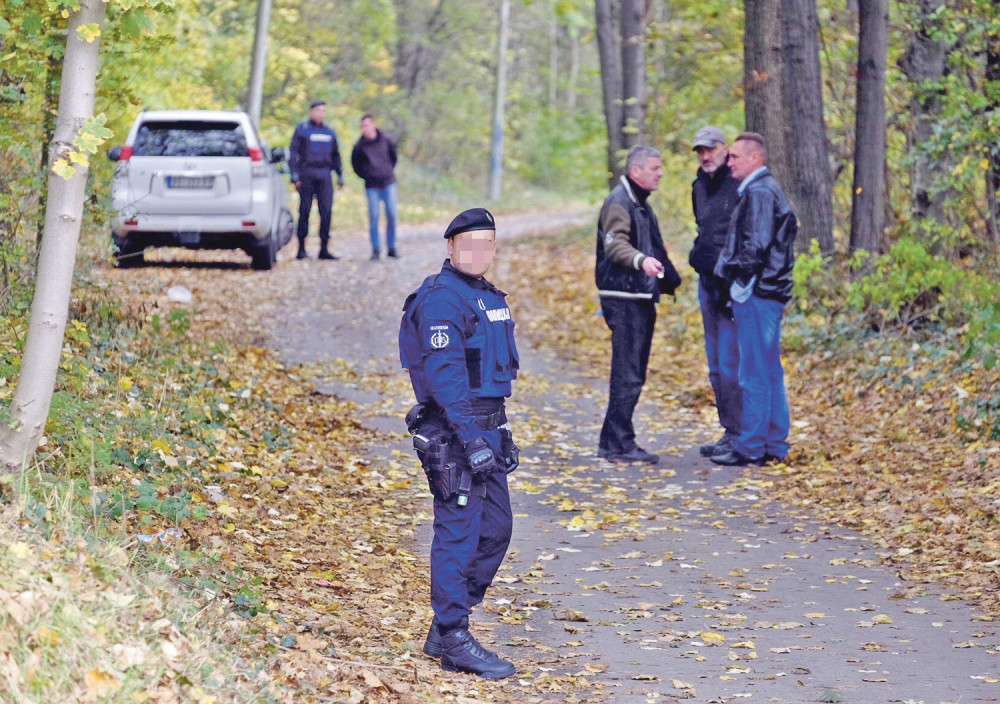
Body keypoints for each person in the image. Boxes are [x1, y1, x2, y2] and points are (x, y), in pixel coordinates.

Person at [398, 208, 520, 679]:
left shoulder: (485, 295)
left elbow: (489, 376)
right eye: (467, 243)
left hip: (486, 428)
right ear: (450, 247)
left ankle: (446, 625)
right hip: (455, 433)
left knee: (496, 530)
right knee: (458, 535)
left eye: (486, 243)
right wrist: (471, 440)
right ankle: (454, 638)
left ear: (493, 249)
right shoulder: (441, 299)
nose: (477, 252)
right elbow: (447, 380)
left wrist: (500, 433)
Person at [711, 132, 797, 467]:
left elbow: (755, 247)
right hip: (767, 293)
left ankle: (750, 447)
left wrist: (732, 276)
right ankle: (774, 443)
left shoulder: (760, 192)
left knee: (755, 372)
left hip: (759, 294)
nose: (728, 162)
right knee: (769, 370)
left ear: (755, 159)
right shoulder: (762, 190)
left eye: (734, 156)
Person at [595, 145, 681, 464]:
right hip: (625, 298)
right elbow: (615, 244)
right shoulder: (620, 202)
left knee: (632, 373)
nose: (660, 173)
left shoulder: (639, 203)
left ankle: (613, 441)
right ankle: (619, 444)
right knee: (628, 374)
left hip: (639, 297)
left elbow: (655, 245)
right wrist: (640, 260)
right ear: (636, 172)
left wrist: (671, 279)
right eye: (655, 168)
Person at [689, 126, 742, 459]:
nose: (706, 156)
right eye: (700, 151)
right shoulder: (698, 186)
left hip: (732, 286)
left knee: (731, 364)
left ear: (725, 149)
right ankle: (729, 430)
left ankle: (741, 433)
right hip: (707, 283)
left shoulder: (738, 185)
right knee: (715, 366)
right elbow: (703, 228)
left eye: (711, 149)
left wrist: (732, 276)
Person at [289, 100, 343, 260]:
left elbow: (336, 155)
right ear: (311, 112)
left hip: (325, 175)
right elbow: (293, 153)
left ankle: (324, 248)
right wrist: (294, 175)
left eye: (323, 111)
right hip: (307, 174)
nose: (321, 113)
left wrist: (339, 174)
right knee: (304, 211)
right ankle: (301, 248)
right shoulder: (302, 130)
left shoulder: (329, 132)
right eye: (318, 110)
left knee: (326, 212)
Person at [351, 113, 399, 260]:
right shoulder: (359, 146)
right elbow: (355, 165)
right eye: (362, 126)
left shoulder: (386, 139)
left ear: (373, 125)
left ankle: (391, 247)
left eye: (367, 125)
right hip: (371, 186)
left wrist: (387, 170)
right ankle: (376, 249)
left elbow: (394, 157)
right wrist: (366, 175)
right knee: (374, 216)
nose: (365, 129)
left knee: (391, 214)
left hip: (388, 183)